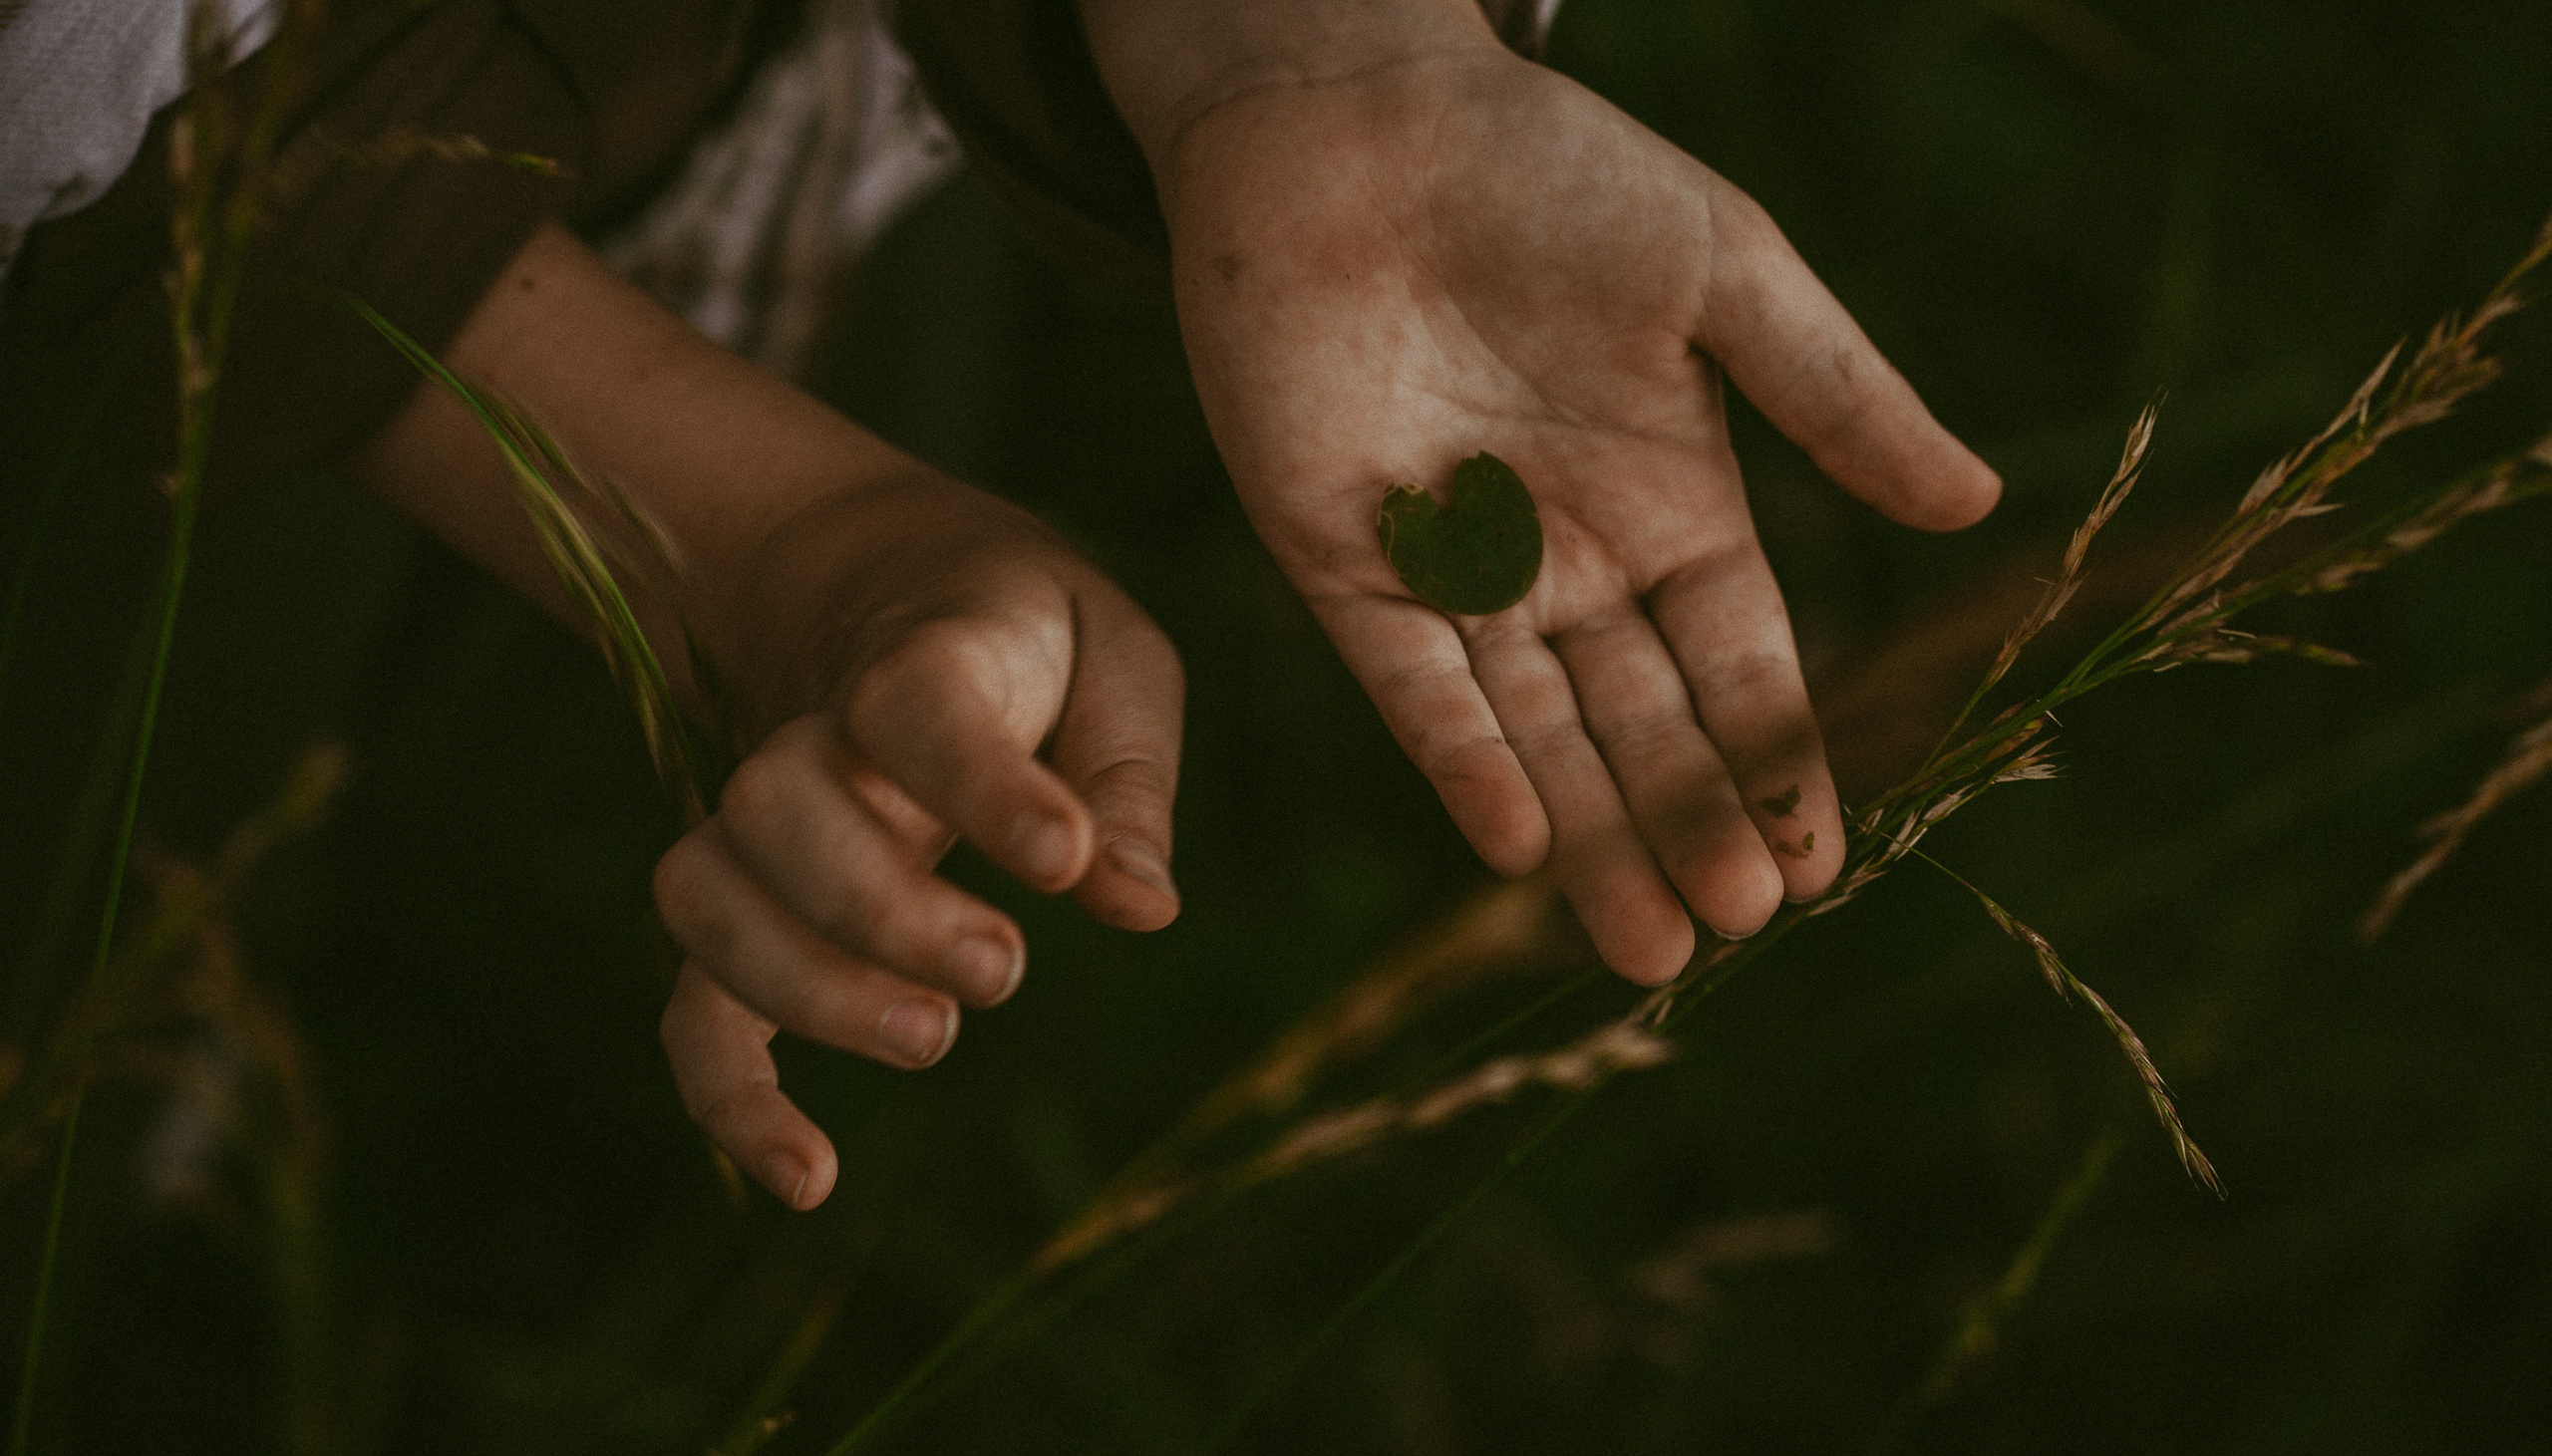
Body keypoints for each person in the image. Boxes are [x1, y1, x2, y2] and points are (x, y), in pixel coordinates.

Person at [0, 0, 1998, 1212]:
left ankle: (381, 985)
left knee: (561, 774)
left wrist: (1298, 51)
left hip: (822, 143)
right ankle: (154, 1064)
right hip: (149, 296)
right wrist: (770, 538)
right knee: (123, 770)